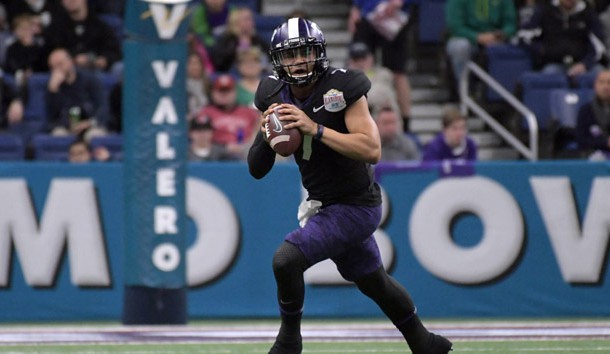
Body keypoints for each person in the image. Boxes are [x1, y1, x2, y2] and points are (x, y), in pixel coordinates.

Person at [247, 17, 453, 354]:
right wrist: (266, 134)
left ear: (320, 52)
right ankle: (425, 343)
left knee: (286, 259)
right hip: (324, 203)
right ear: (278, 60)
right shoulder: (273, 93)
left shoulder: (341, 89)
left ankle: (289, 342)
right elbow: (257, 170)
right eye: (291, 54)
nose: (299, 60)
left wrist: (316, 129)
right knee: (374, 282)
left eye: (305, 52)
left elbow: (371, 149)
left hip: (357, 204)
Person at [348, 0, 413, 131]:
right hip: (368, 14)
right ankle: (356, 121)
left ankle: (406, 124)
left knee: (398, 72)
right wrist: (356, 7)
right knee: (358, 66)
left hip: (394, 16)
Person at [517, 0, 605, 78]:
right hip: (555, 63)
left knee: (601, 75)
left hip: (583, 63)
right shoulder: (546, 10)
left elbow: (598, 45)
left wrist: (585, 64)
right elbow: (523, 35)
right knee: (548, 74)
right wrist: (542, 50)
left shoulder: (588, 13)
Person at [445, 0, 517, 93]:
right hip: (466, 38)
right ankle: (465, 92)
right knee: (460, 46)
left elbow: (511, 24)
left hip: (494, 39)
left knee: (512, 47)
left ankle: (500, 96)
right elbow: (456, 27)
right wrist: (478, 37)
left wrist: (500, 35)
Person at [45, 48, 108, 141]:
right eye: (53, 67)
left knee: (94, 136)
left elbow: (102, 106)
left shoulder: (90, 80)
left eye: (60, 64)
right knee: (58, 135)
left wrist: (89, 123)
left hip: (90, 124)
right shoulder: (52, 86)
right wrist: (53, 91)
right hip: (67, 127)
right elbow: (51, 116)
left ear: (70, 62)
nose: (57, 70)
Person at [44, 0, 122, 73]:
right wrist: (72, 60)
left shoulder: (101, 27)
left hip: (96, 71)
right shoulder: (55, 28)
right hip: (66, 74)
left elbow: (113, 52)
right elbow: (48, 54)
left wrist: (100, 60)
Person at [196, 73, 259, 159]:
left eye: (227, 90)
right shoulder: (206, 113)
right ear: (213, 92)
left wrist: (245, 145)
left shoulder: (249, 112)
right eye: (221, 90)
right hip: (215, 153)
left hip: (246, 151)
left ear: (235, 92)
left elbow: (258, 133)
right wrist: (223, 146)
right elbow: (200, 138)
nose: (224, 94)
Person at [346, 41, 400, 121]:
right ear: (349, 62)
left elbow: (376, 96)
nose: (360, 63)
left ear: (371, 58)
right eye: (356, 60)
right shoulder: (344, 78)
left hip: (380, 122)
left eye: (363, 58)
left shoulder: (384, 74)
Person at [210, 6, 269, 73]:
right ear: (235, 22)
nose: (251, 22)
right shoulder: (226, 39)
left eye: (251, 19)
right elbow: (219, 62)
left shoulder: (257, 39)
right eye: (246, 19)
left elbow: (269, 57)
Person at [575, 69, 610, 159]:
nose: (606, 87)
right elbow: (581, 139)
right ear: (595, 86)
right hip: (594, 154)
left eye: (609, 83)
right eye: (601, 82)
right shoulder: (586, 111)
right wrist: (605, 143)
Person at [186, 51, 209, 120]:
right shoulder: (181, 87)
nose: (195, 67)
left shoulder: (209, 85)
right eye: (191, 64)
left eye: (197, 63)